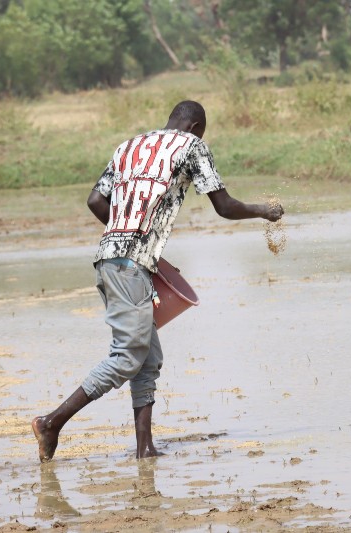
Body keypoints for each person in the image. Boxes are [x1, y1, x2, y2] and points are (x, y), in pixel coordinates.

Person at [31, 100, 284, 462]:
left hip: (111, 260)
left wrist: (130, 235)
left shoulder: (129, 146)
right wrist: (265, 211)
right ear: (196, 127)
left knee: (147, 359)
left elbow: (94, 201)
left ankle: (144, 449)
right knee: (127, 356)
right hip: (129, 267)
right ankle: (52, 422)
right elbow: (225, 206)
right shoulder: (192, 146)